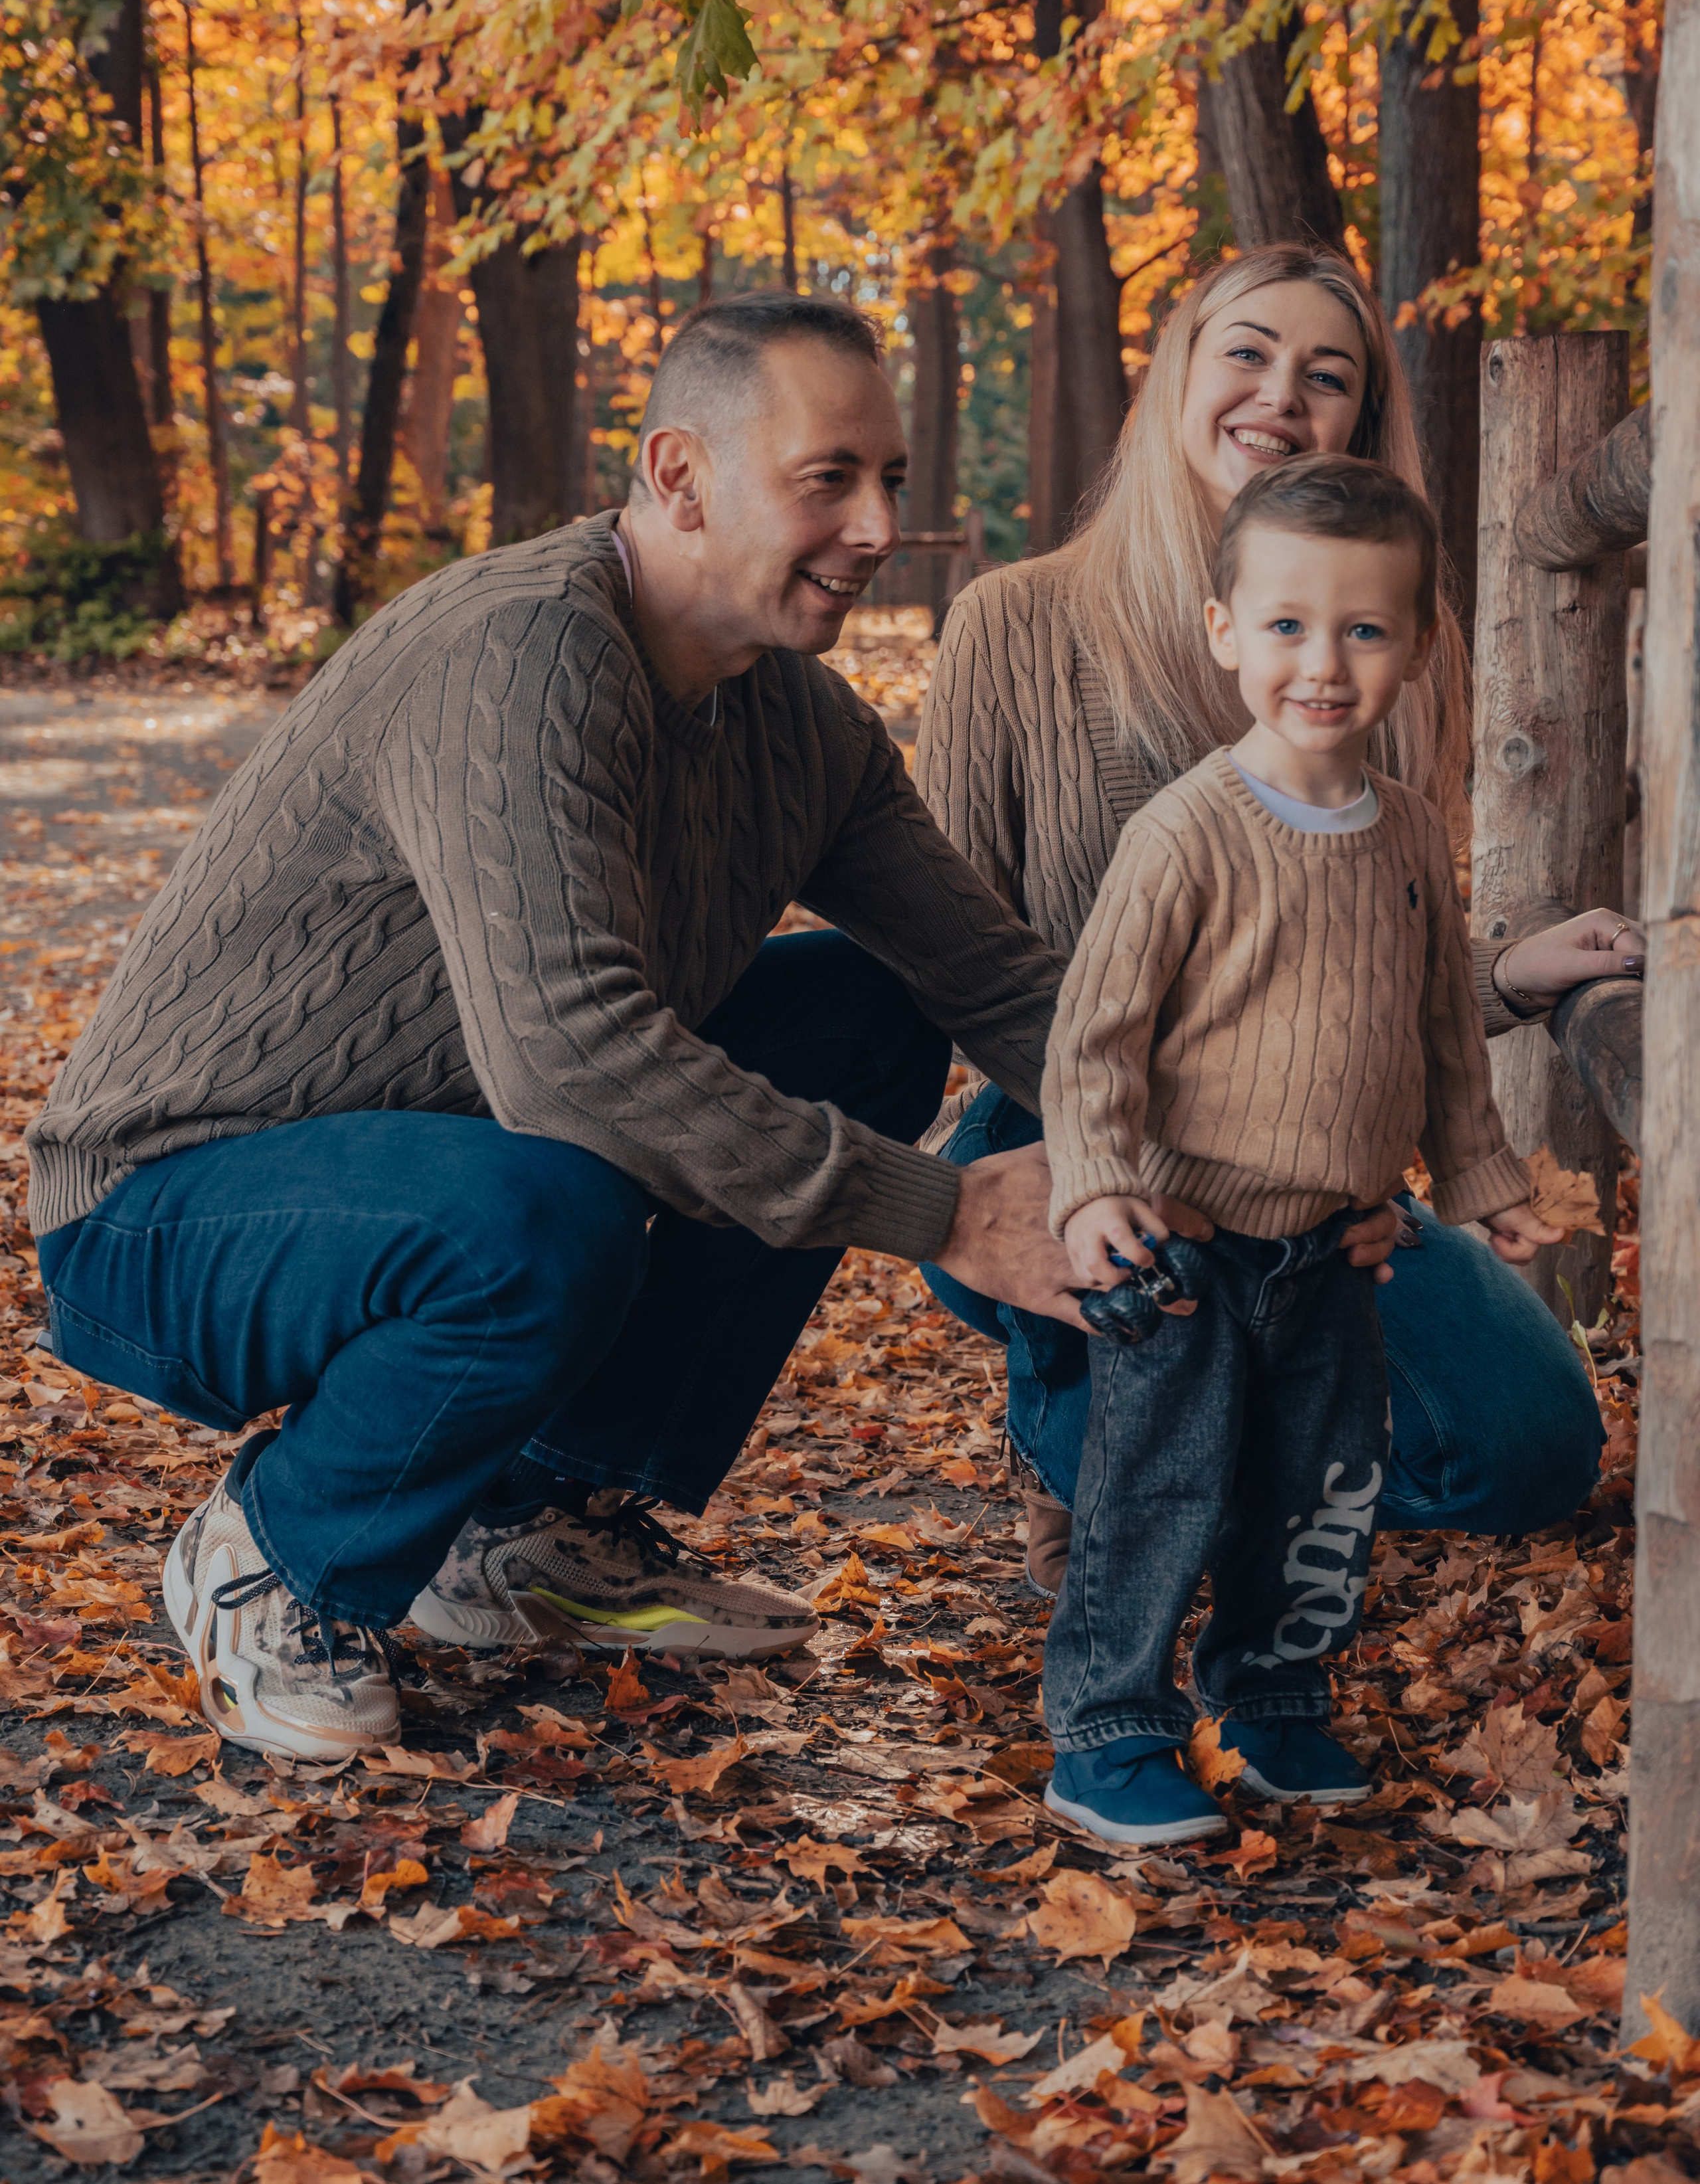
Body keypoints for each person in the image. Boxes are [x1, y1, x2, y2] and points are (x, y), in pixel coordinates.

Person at [26, 293, 1096, 1766]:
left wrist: (1192, 1154)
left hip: (443, 1157)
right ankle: (280, 1553)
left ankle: (527, 1523)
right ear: (676, 475)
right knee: (552, 1202)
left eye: (890, 480)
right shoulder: (520, 657)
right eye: (827, 478)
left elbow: (994, 978)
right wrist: (947, 1210)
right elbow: (573, 1058)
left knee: (864, 1010)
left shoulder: (805, 729)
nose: (873, 525)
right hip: (168, 1206)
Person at [917, 244, 1639, 1593]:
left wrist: (1509, 975)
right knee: (1140, 1477)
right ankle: (1095, 1452)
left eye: (1326, 375)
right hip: (1078, 1120)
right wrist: (1132, 1144)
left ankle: (1245, 1482)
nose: (1278, 394)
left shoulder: (1397, 644)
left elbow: (1369, 947)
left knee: (1528, 1450)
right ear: (1177, 377)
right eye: (1243, 352)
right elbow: (951, 955)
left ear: (1358, 423)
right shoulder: (1010, 625)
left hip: (1309, 1149)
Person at [1041, 455, 1559, 1847]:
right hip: (1185, 1240)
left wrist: (1482, 1182)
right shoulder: (1186, 833)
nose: (1319, 663)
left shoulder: (1402, 832)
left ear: (1416, 641)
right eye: (1283, 625)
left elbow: (1442, 1026)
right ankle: (1106, 1727)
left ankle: (1269, 1696)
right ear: (1223, 629)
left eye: (1361, 629)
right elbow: (1093, 1033)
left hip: (1336, 1241)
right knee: (1162, 1483)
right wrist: (1092, 1181)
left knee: (1316, 1489)